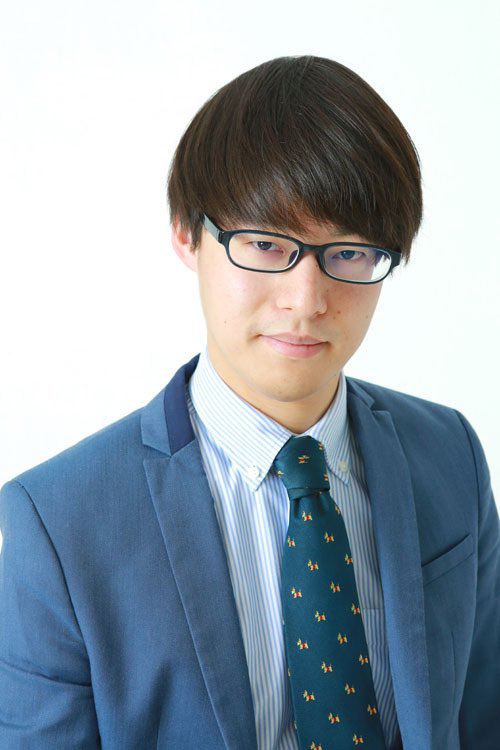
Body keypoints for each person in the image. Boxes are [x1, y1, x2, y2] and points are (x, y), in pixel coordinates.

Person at [0, 55, 498, 750]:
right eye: (265, 244)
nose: (307, 299)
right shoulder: (58, 523)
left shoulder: (449, 453)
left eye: (349, 253)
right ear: (186, 234)